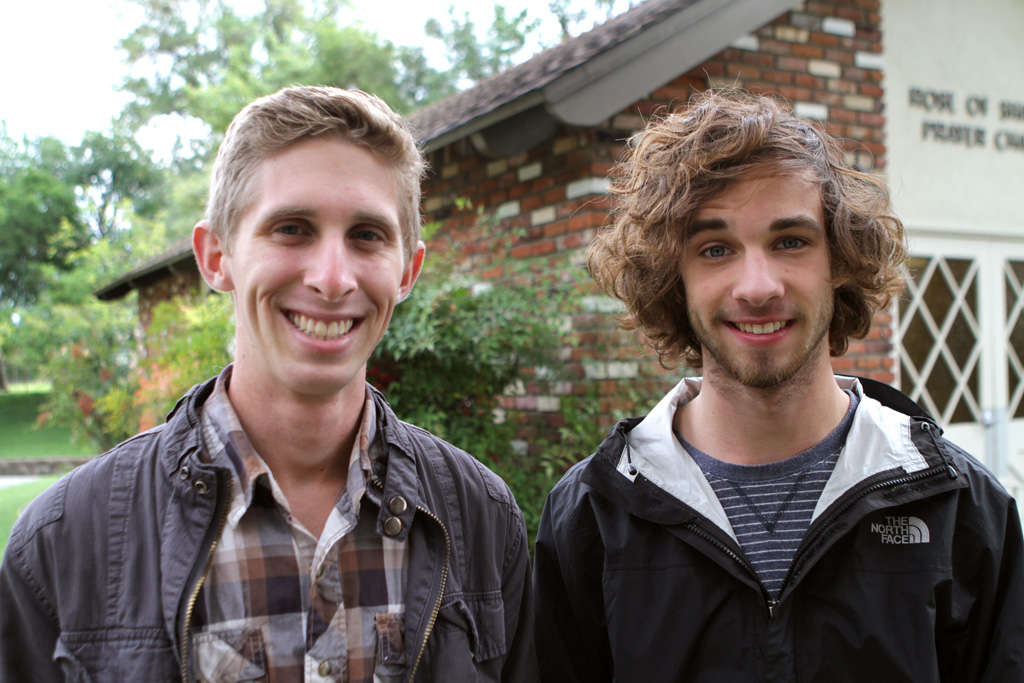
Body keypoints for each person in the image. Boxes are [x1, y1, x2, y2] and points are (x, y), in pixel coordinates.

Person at [0, 86, 537, 682]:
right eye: (291, 228)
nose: (332, 279)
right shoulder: (64, 541)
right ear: (216, 257)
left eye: (367, 235)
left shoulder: (482, 521)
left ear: (407, 270)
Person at [533, 89, 1024, 681]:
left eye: (790, 241)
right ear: (673, 278)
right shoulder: (592, 513)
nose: (758, 286)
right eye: (715, 249)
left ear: (838, 259)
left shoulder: (960, 507)